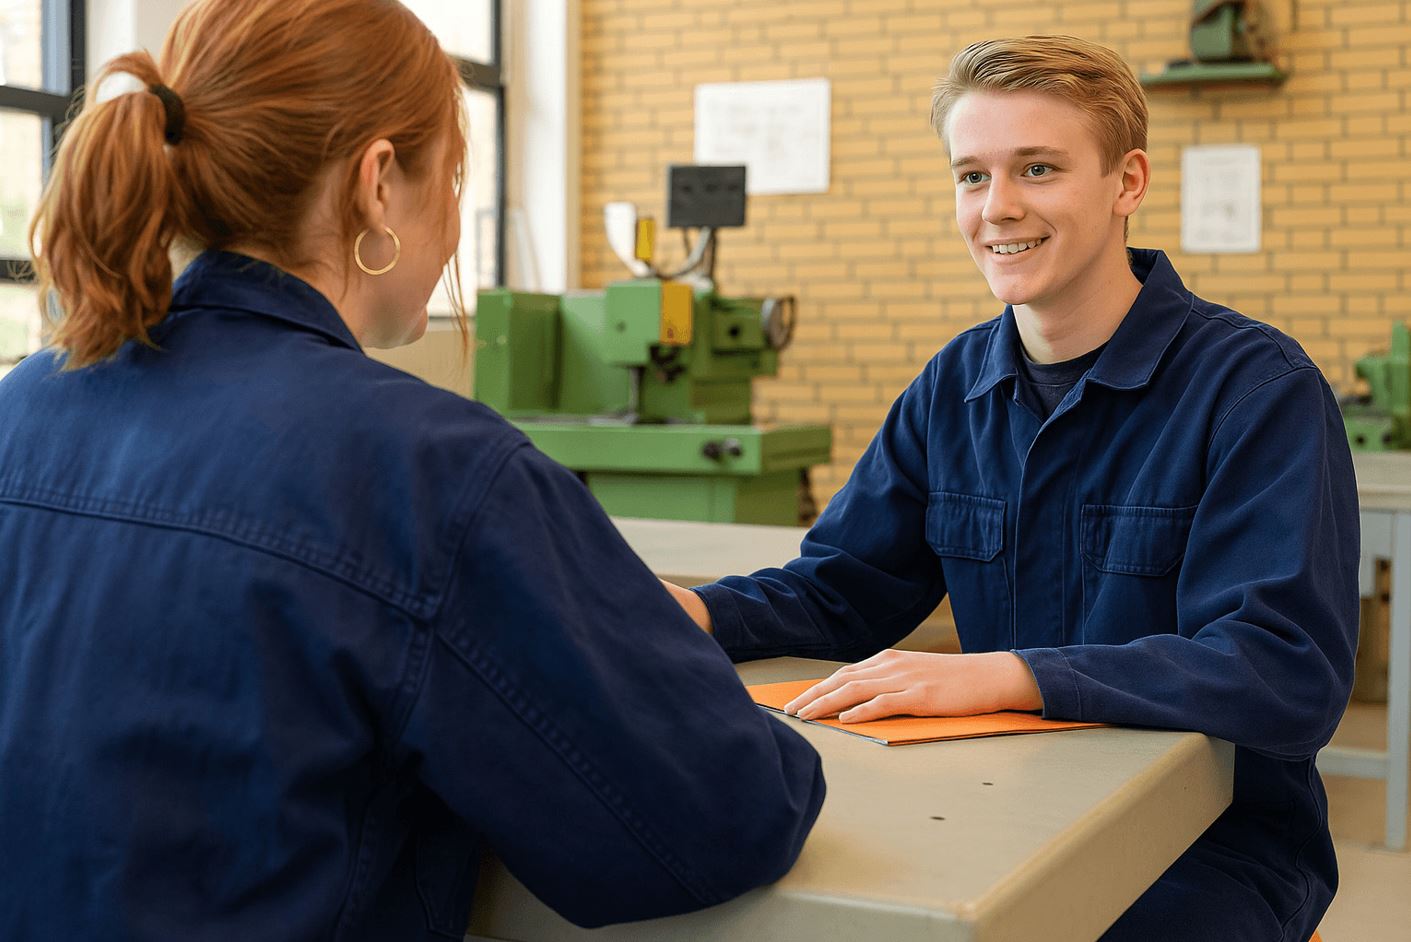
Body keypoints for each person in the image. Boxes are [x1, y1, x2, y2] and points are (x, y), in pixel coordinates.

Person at [0, 1, 824, 938]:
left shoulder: (18, 410)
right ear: (378, 182)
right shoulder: (431, 469)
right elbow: (715, 819)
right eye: (454, 178)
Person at [663, 35, 1358, 941]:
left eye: (1037, 168)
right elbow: (842, 590)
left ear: (1127, 182)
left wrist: (1004, 675)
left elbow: (1282, 668)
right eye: (970, 176)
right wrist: (700, 615)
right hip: (1005, 806)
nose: (998, 208)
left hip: (1211, 846)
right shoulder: (951, 389)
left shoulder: (1254, 391)